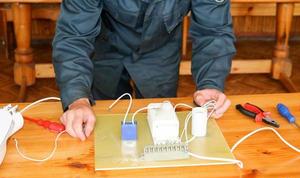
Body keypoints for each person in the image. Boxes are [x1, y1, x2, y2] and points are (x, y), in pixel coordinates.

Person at [52, 0, 236, 141]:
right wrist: (77, 99)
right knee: (103, 130)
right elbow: (73, 36)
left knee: (161, 130)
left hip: (160, 50)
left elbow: (214, 31)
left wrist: (210, 82)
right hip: (106, 47)